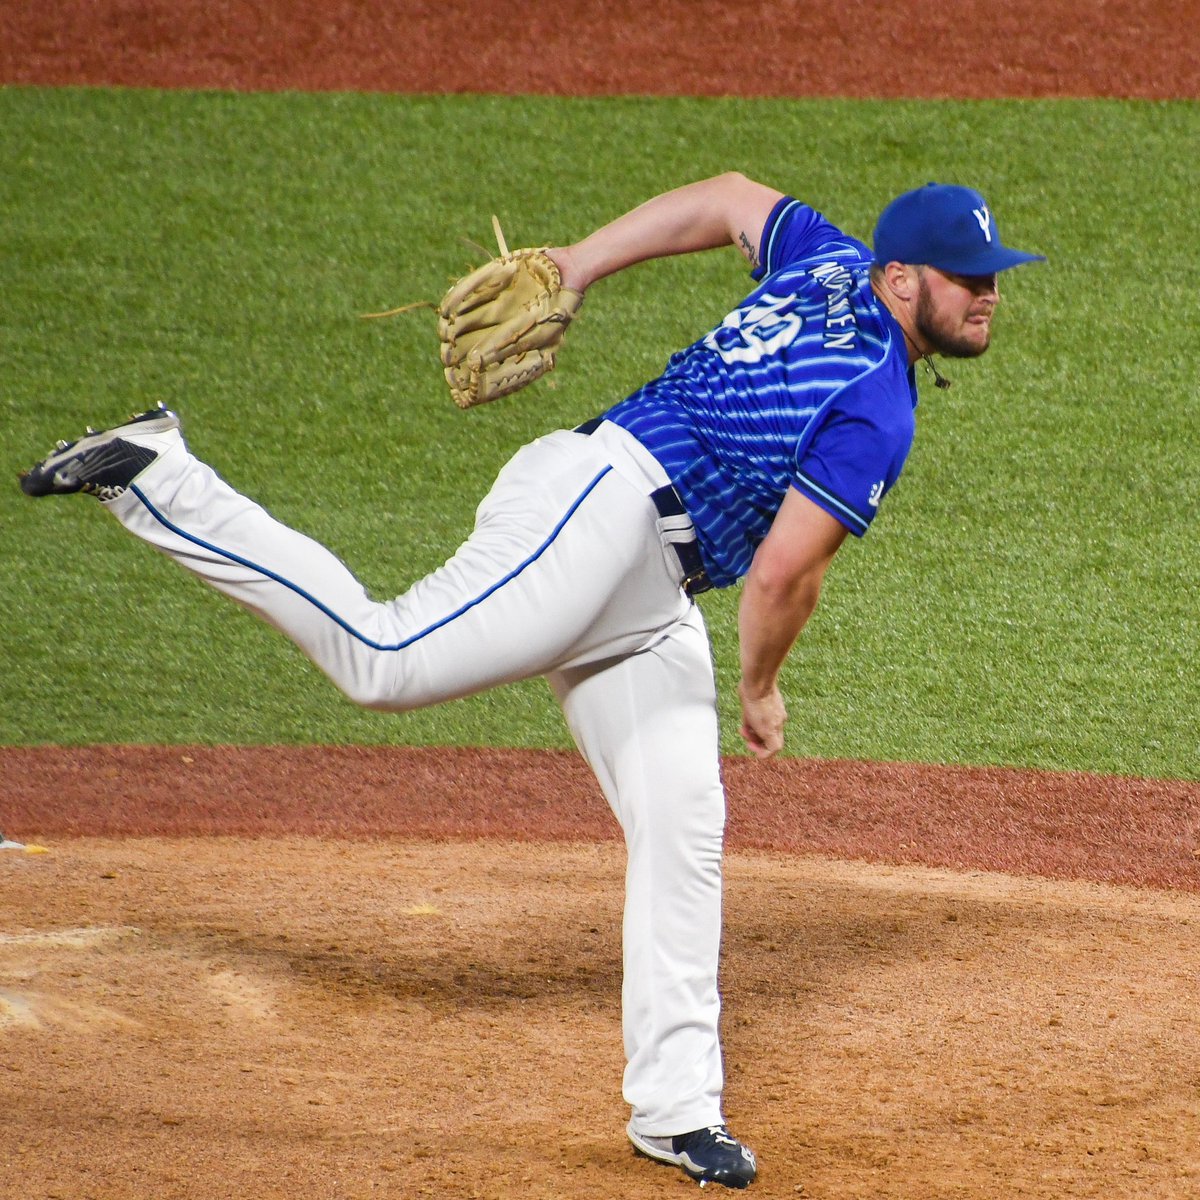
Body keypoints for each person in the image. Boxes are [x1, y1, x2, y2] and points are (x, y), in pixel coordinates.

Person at [19, 173, 1042, 1190]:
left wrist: (583, 264)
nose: (988, 294)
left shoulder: (823, 260)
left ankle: (677, 1111)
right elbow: (782, 574)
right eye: (968, 278)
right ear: (900, 278)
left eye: (993, 277)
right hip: (596, 521)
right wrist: (760, 686)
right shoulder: (875, 405)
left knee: (683, 823)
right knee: (385, 661)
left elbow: (732, 196)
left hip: (645, 582)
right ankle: (161, 475)